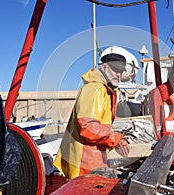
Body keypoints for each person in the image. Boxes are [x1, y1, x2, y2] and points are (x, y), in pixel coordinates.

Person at [53, 49, 130, 180]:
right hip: (83, 160)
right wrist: (116, 139)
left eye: (121, 71)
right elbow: (87, 127)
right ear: (104, 67)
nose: (118, 74)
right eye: (115, 69)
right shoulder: (94, 89)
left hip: (94, 155)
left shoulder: (107, 90)